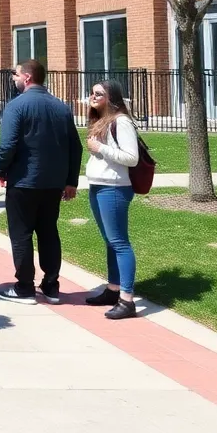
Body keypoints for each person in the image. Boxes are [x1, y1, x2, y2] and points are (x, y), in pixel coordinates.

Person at [0, 59, 82, 305]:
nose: (13, 79)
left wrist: (1, 170)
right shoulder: (61, 107)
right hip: (53, 183)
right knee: (48, 232)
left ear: (27, 78)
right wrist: (70, 180)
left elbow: (8, 145)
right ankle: (51, 286)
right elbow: (75, 147)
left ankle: (24, 287)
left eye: (16, 75)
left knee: (21, 234)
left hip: (23, 182)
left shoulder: (16, 106)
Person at [83, 80, 140, 320]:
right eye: (92, 93)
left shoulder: (121, 122)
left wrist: (100, 148)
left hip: (114, 189)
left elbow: (132, 158)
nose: (93, 97)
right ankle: (112, 289)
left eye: (99, 94)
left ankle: (127, 300)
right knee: (109, 241)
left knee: (119, 242)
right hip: (99, 186)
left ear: (111, 97)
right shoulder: (101, 121)